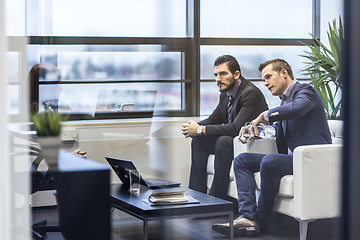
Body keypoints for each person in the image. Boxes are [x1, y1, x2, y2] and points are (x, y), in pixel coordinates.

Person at [212, 59, 332, 237]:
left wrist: (265, 114)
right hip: (293, 159)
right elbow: (278, 129)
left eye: (268, 77)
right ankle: (247, 216)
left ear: (284, 73)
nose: (265, 83)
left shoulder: (306, 92)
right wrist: (255, 130)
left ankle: (261, 222)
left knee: (270, 161)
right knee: (242, 160)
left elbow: (298, 109)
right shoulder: (285, 102)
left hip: (311, 160)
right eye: (263, 79)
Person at [181, 55, 268, 205]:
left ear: (236, 74)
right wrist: (194, 127)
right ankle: (197, 196)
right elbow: (215, 119)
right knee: (199, 140)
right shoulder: (225, 94)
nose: (218, 79)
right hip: (236, 141)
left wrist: (200, 129)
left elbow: (235, 128)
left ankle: (217, 200)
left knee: (224, 141)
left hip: (253, 144)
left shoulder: (250, 93)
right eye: (216, 75)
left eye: (223, 74)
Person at [28, 63, 87, 158]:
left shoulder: (44, 109)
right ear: (47, 86)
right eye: (58, 84)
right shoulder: (41, 113)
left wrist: (70, 156)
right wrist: (70, 158)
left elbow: (46, 154)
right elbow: (42, 158)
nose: (61, 88)